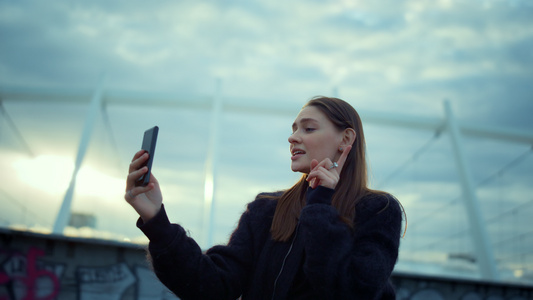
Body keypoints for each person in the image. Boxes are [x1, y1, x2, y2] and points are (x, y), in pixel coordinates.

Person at [125, 96, 404, 299]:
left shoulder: (378, 210)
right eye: (293, 128)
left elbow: (351, 292)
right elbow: (213, 286)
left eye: (307, 129)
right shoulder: (267, 209)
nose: (292, 137)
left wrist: (320, 206)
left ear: (345, 139)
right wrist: (157, 221)